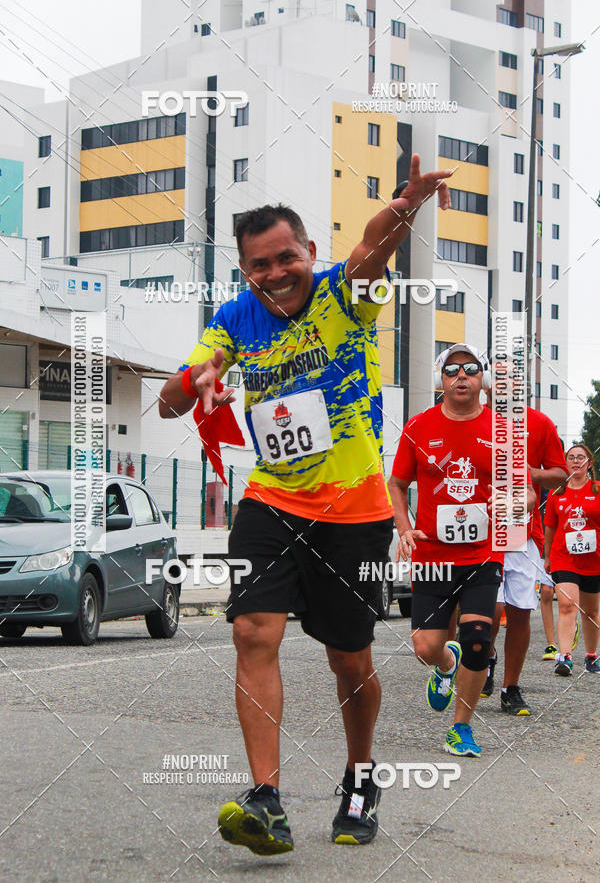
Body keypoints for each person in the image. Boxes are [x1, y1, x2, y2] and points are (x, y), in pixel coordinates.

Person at [159, 155, 452, 854]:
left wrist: (404, 206)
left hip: (354, 512)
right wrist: (193, 383)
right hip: (272, 502)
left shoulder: (341, 296)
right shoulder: (233, 319)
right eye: (259, 264)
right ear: (245, 271)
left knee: (349, 660)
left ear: (307, 253)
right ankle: (266, 799)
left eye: (285, 256)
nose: (274, 272)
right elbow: (175, 398)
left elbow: (370, 250)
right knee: (253, 631)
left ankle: (360, 777)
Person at [389, 344, 536, 756]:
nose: (461, 376)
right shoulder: (419, 426)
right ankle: (445, 666)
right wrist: (404, 527)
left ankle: (461, 726)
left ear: (481, 378)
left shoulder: (503, 432)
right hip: (433, 556)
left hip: (482, 553)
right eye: (452, 369)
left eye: (470, 369)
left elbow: (526, 491)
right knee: (425, 647)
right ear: (441, 379)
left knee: (477, 638)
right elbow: (397, 484)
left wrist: (514, 503)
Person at [480, 377, 567, 714]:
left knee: (518, 611)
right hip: (481, 526)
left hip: (521, 531)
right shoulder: (474, 420)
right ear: (487, 390)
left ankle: (510, 687)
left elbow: (559, 473)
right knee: (490, 610)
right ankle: (485, 659)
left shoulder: (540, 423)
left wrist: (528, 472)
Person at [544, 443, 600, 676]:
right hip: (563, 557)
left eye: (580, 457)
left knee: (591, 611)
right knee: (567, 604)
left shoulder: (598, 489)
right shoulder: (557, 493)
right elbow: (550, 527)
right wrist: (547, 556)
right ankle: (564, 656)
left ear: (589, 463)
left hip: (593, 558)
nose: (576, 461)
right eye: (571, 458)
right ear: (565, 463)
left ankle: (591, 655)